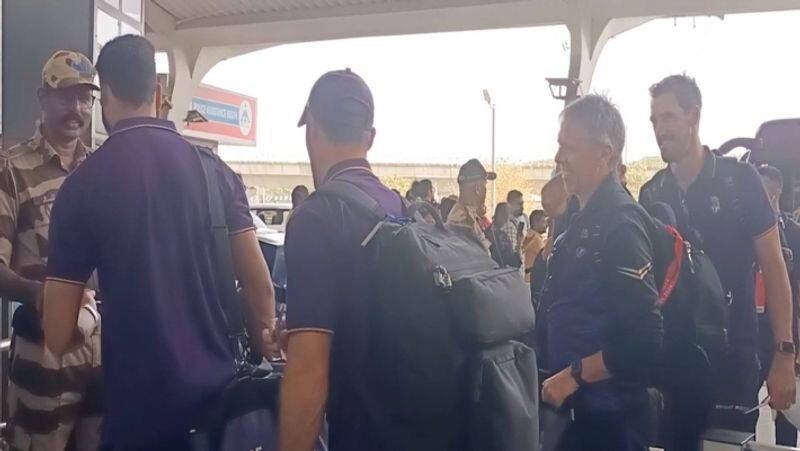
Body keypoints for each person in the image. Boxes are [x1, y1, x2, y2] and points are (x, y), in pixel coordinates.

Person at [41, 35, 277, 450]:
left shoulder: (82, 187)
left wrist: (91, 316)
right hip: (218, 418)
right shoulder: (214, 173)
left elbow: (58, 335)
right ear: (158, 91)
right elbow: (260, 289)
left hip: (138, 421)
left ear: (105, 93)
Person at [639, 74, 795, 434]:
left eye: (668, 117)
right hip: (670, 365)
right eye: (654, 120)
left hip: (733, 360)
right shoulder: (651, 194)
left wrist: (784, 353)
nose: (659, 129)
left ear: (693, 116)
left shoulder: (741, 181)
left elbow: (774, 268)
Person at [280, 69, 403, 451]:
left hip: (360, 433)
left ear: (310, 128)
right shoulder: (398, 207)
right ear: (370, 138)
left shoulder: (315, 218)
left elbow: (308, 372)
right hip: (405, 426)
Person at [540, 95, 662, 451]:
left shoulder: (621, 224)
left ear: (604, 156)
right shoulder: (583, 218)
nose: (559, 158)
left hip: (610, 422)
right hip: (579, 416)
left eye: (568, 147)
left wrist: (573, 376)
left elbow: (644, 338)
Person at [0, 50, 102, 451]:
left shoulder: (100, 168)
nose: (76, 108)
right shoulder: (10, 169)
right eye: (65, 96)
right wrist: (38, 294)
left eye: (84, 98)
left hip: (101, 353)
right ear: (43, 98)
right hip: (41, 356)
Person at [756, 164, 800, 446]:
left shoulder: (794, 233)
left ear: (777, 191)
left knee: (786, 410)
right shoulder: (744, 233)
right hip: (754, 330)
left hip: (784, 331)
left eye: (765, 190)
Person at [446, 159, 495, 252]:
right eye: (485, 185)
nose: (486, 190)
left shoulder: (467, 214)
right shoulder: (462, 219)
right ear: (477, 189)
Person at [487, 202, 521, 267]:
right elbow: (513, 262)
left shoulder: (488, 232)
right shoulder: (500, 236)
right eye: (508, 214)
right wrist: (519, 244)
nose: (509, 217)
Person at [522, 209, 547, 283]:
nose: (546, 225)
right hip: (533, 278)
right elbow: (546, 257)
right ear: (536, 222)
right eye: (544, 222)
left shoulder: (530, 236)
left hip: (528, 277)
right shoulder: (535, 239)